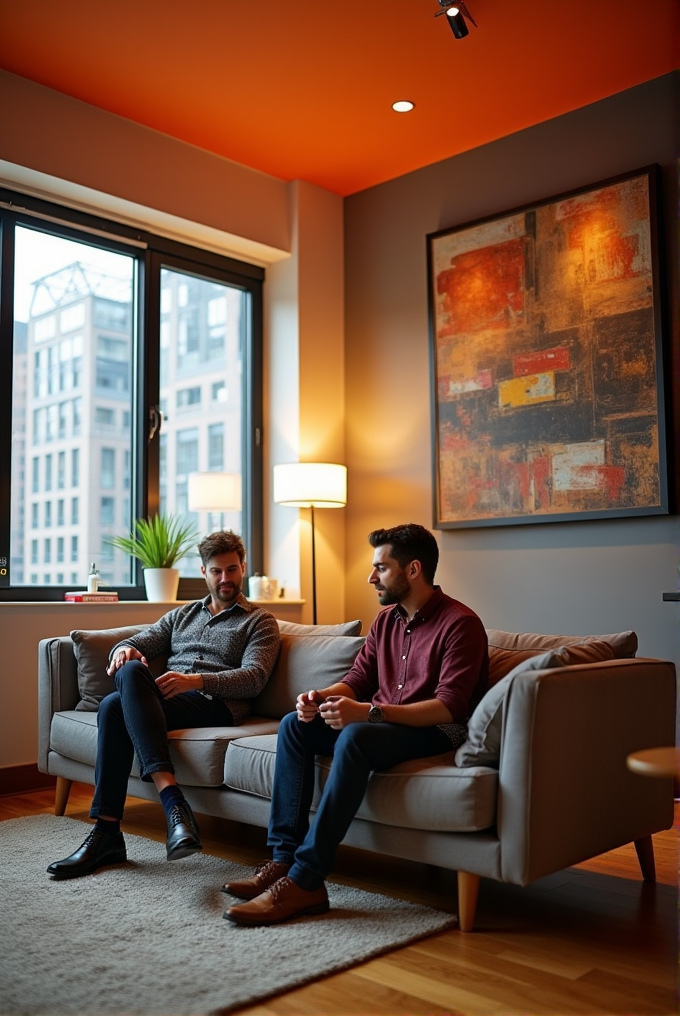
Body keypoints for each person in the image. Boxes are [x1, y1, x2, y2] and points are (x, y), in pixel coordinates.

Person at [222, 522, 488, 926]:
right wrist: (320, 697)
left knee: (358, 737)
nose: (371, 577)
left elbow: (449, 708)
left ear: (413, 570)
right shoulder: (385, 622)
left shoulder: (460, 624)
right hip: (380, 724)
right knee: (295, 725)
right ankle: (283, 861)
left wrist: (368, 713)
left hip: (435, 730)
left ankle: (307, 880)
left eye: (381, 568)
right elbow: (357, 681)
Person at [47, 530, 281, 879]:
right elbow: (137, 641)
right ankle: (134, 820)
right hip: (168, 700)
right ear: (203, 572)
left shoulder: (260, 621)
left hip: (216, 704)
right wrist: (122, 650)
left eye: (232, 570)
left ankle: (119, 827)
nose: (225, 579)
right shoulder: (182, 615)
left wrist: (196, 680)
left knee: (114, 704)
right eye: (216, 571)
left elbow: (254, 678)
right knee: (119, 691)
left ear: (243, 567)